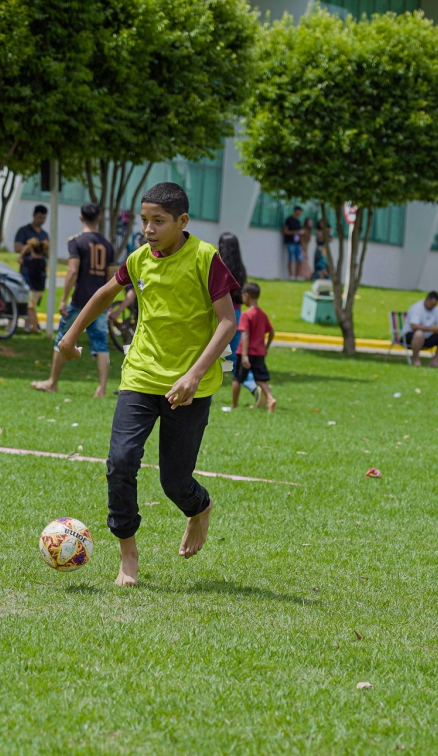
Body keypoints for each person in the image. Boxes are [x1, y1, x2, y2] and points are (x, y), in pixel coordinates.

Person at [54, 182, 239, 586]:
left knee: (175, 482)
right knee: (120, 462)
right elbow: (105, 293)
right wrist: (70, 335)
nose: (149, 229)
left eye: (159, 221)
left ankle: (199, 506)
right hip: (140, 375)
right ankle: (128, 555)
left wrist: (193, 375)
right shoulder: (139, 259)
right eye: (144, 220)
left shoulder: (205, 258)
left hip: (189, 387)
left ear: (182, 221)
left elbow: (228, 322)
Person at [32, 204, 114, 397]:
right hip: (99, 302)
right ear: (99, 218)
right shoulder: (107, 245)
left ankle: (52, 383)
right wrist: (108, 303)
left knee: (63, 338)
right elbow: (111, 277)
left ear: (80, 217)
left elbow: (72, 271)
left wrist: (63, 299)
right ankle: (101, 389)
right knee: (100, 343)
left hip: (80, 299)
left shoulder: (77, 242)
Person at [218, 232, 256, 396]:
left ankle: (203, 395)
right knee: (232, 357)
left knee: (209, 356)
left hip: (220, 315)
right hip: (237, 314)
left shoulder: (219, 267)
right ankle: (254, 385)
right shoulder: (241, 268)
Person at [231, 282, 276, 412]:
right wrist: (266, 347)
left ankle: (234, 405)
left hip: (245, 352)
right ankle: (270, 398)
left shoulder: (246, 315)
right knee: (261, 379)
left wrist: (244, 355)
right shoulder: (262, 314)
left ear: (246, 295)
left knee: (237, 379)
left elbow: (245, 334)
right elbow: (272, 332)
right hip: (259, 353)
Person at [402, 291, 438, 367]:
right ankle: (416, 360)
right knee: (419, 333)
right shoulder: (417, 307)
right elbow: (414, 326)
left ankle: (435, 361)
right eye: (431, 304)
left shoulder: (436, 309)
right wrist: (432, 329)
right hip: (410, 336)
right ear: (426, 299)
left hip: (427, 337)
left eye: (434, 305)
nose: (432, 307)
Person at [19, 236, 49, 333]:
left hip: (33, 289)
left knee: (30, 309)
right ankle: (34, 326)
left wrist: (25, 249)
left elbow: (19, 260)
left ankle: (35, 328)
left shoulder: (30, 261)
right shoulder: (43, 261)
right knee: (32, 308)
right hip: (40, 288)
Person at [282, 206, 304, 279]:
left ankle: (298, 276)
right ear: (296, 211)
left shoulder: (298, 222)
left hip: (297, 243)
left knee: (299, 259)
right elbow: (285, 231)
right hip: (290, 242)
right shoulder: (289, 220)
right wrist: (295, 232)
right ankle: (291, 275)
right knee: (290, 258)